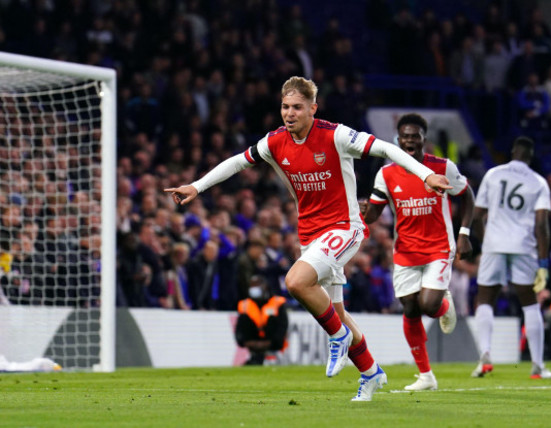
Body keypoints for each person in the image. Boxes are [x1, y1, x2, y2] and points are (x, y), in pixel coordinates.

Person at [165, 76, 452, 401]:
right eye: (285, 107)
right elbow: (237, 162)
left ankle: (338, 337)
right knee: (336, 312)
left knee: (296, 282)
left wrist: (425, 173)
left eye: (297, 107)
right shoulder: (274, 142)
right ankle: (371, 372)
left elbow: (384, 147)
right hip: (310, 234)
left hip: (344, 227)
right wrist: (196, 186)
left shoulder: (336, 135)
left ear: (312, 109)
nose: (289, 113)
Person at [363, 113, 475, 391]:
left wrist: (464, 234)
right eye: (405, 137)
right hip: (405, 251)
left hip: (439, 247)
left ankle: (444, 305)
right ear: (398, 140)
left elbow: (468, 196)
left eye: (415, 136)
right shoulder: (386, 173)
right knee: (410, 308)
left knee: (428, 305)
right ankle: (426, 376)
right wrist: (367, 211)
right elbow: (375, 211)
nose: (410, 141)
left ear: (425, 139)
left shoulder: (443, 167)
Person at [472, 136, 551, 379]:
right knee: (530, 303)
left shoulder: (493, 175)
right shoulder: (538, 182)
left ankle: (485, 357)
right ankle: (537, 366)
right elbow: (542, 225)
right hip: (523, 247)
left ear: (513, 151)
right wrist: (543, 263)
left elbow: (477, 215)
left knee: (485, 299)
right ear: (530, 157)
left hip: (494, 245)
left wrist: (486, 239)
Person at [235, 275, 289, 365]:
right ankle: (255, 357)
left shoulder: (277, 302)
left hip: (272, 341)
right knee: (245, 318)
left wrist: (272, 342)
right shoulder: (245, 305)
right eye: (252, 286)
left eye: (256, 285)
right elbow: (240, 327)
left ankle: (268, 355)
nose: (254, 289)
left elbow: (283, 326)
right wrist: (247, 342)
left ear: (264, 286)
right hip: (252, 340)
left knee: (272, 319)